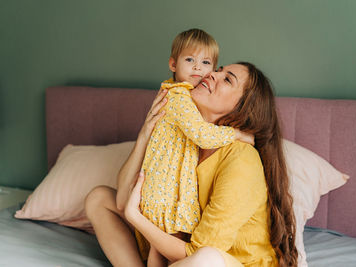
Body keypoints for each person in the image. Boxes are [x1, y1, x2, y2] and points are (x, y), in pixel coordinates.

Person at [85, 62, 298, 266]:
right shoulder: (184, 139)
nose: (212, 74)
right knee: (99, 198)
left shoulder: (242, 160)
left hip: (221, 262)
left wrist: (137, 218)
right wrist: (144, 136)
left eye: (227, 80)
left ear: (242, 110)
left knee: (207, 259)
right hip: (181, 256)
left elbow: (198, 252)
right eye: (218, 69)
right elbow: (123, 200)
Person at [132, 29, 253, 266]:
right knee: (164, 244)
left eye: (206, 63)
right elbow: (202, 134)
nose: (198, 68)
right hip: (165, 191)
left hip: (166, 188)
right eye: (190, 60)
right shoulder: (178, 97)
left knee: (161, 248)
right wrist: (236, 133)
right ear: (173, 64)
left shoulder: (180, 96)